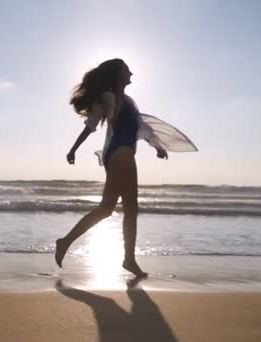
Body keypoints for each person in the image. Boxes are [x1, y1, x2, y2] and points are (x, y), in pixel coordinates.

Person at [54, 58, 197, 277]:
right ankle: (129, 259)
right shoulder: (109, 98)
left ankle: (65, 242)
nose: (131, 73)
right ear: (118, 75)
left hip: (120, 154)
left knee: (106, 209)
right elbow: (91, 125)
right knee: (131, 208)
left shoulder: (128, 101)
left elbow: (141, 127)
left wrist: (156, 146)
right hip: (121, 154)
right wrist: (73, 149)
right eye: (126, 70)